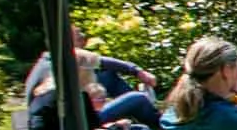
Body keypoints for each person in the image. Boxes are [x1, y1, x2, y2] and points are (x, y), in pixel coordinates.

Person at [24, 25, 157, 105]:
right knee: (127, 91)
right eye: (79, 38)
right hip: (69, 122)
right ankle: (150, 111)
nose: (84, 41)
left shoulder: (47, 60)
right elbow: (105, 62)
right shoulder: (66, 56)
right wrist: (138, 72)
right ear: (66, 42)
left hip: (56, 116)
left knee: (101, 77)